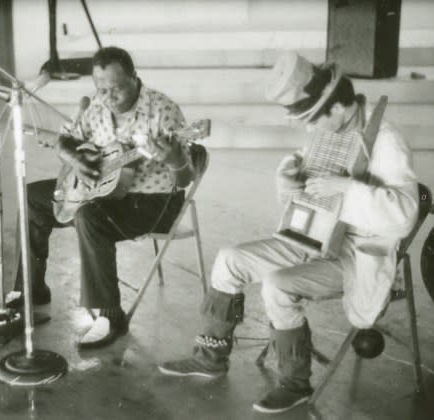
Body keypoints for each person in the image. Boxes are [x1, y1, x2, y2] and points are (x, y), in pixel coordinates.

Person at [158, 51, 419, 414]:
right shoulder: (329, 132)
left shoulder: (387, 140)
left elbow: (405, 216)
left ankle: (295, 383)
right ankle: (210, 357)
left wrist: (347, 189)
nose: (308, 129)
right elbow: (301, 194)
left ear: (338, 107)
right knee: (229, 259)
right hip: (311, 237)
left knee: (278, 283)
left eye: (313, 118)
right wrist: (288, 180)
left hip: (355, 254)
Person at [2, 46, 195, 349]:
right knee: (31, 197)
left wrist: (173, 159)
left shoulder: (163, 111)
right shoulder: (98, 107)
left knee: (89, 215)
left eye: (116, 88)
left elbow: (185, 179)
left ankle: (109, 316)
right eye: (101, 88)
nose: (108, 96)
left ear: (135, 78)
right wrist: (75, 159)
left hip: (153, 201)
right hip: (103, 191)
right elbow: (67, 140)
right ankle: (30, 288)